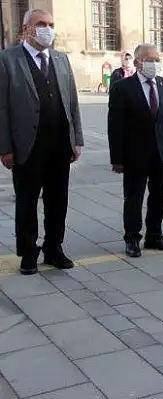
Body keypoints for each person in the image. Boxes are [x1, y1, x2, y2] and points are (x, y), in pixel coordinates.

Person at [0, 8, 84, 275]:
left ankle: (53, 248)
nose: (47, 28)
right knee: (26, 201)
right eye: (41, 24)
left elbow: (72, 102)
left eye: (50, 24)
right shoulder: (8, 60)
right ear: (26, 29)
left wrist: (77, 139)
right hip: (27, 145)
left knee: (57, 200)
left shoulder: (60, 59)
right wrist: (5, 147)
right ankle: (28, 252)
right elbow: (1, 108)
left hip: (59, 145)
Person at [108, 43, 163, 258]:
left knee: (159, 195)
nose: (155, 63)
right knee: (134, 198)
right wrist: (117, 158)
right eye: (151, 59)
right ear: (139, 61)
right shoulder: (123, 88)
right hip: (135, 154)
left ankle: (154, 235)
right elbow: (115, 125)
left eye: (158, 59)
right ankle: (132, 238)